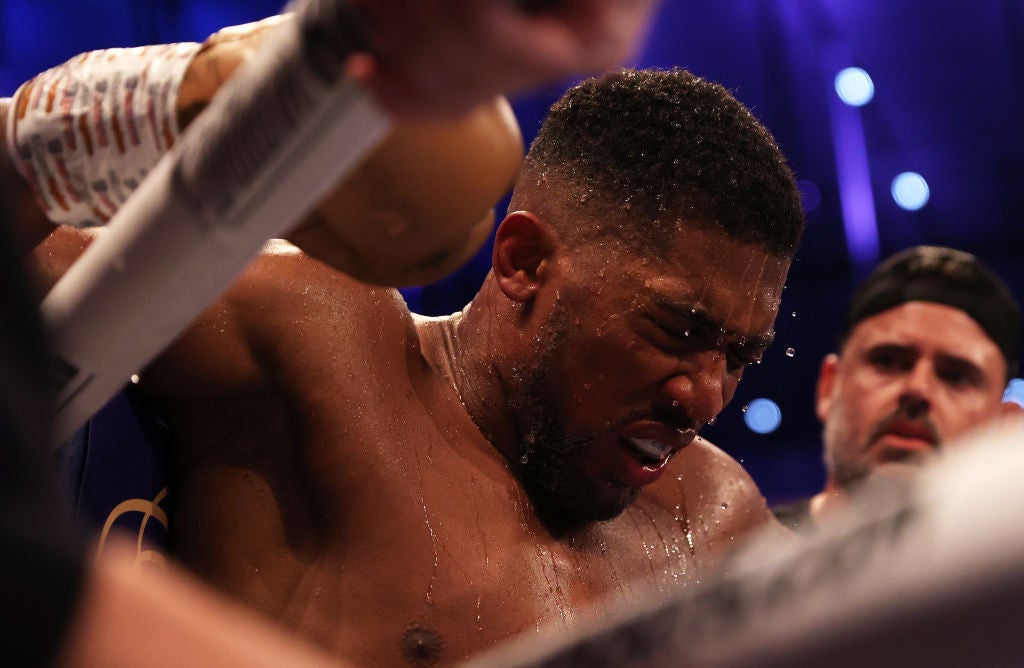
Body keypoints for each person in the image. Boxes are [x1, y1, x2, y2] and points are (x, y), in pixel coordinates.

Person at [25, 57, 805, 665]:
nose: (704, 395)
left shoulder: (713, 519)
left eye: (740, 355)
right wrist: (178, 97)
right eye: (675, 330)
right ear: (526, 261)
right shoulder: (325, 345)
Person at [773, 246, 1022, 531]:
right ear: (830, 387)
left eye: (956, 377)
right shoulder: (738, 559)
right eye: (888, 361)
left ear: (1007, 427)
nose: (918, 389)